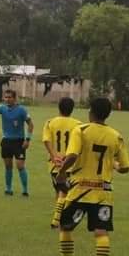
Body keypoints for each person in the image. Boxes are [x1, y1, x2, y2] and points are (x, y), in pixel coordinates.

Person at [47, 98, 129, 256]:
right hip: (103, 192)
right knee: (101, 232)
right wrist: (114, 164)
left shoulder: (81, 130)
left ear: (90, 112)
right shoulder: (116, 136)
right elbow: (125, 167)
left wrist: (61, 173)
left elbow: (73, 155)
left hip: (80, 189)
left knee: (65, 227)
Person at [42, 97, 82, 229]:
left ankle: (58, 218)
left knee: (60, 190)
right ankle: (57, 219)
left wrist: (54, 156)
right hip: (71, 163)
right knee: (64, 192)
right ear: (72, 109)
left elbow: (46, 140)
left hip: (54, 164)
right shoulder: (78, 125)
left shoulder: (50, 122)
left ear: (59, 107)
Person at [0, 90, 34, 196]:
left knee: (20, 166)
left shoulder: (22, 110)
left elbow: (30, 124)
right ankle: (8, 188)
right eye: (5, 97)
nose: (7, 99)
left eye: (9, 97)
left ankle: (25, 190)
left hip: (19, 141)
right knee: (8, 166)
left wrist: (28, 139)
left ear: (15, 98)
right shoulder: (2, 108)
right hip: (6, 141)